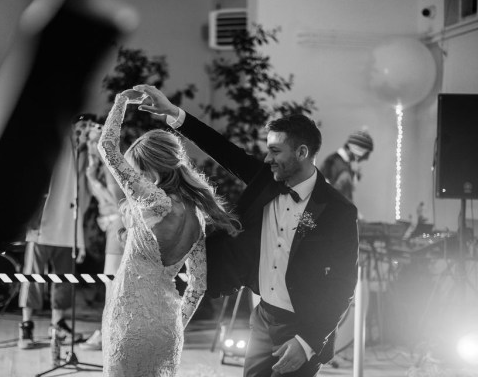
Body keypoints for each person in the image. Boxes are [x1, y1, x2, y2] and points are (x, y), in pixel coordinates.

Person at [134, 84, 359, 377]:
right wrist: (175, 114)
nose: (268, 159)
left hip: (305, 327)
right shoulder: (265, 181)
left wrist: (308, 342)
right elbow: (222, 149)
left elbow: (344, 283)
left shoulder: (338, 210)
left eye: (276, 151)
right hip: (264, 319)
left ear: (302, 152)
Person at [97, 89, 240, 376]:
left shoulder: (153, 200)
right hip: (168, 327)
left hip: (129, 320)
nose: (137, 178)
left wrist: (121, 102)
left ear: (151, 170)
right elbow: (198, 287)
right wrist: (174, 323)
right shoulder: (198, 217)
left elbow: (107, 148)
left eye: (139, 171)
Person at [17, 122, 89, 349]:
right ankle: (26, 326)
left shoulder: (86, 152)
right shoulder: (50, 136)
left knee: (64, 280)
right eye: (82, 124)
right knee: (32, 278)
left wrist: (81, 238)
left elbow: (84, 194)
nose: (85, 129)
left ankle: (58, 325)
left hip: (69, 226)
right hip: (43, 224)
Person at [78, 122, 126, 351]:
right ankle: (111, 333)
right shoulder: (94, 167)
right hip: (110, 225)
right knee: (113, 282)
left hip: (118, 224)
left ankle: (108, 335)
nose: (90, 145)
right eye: (88, 141)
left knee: (111, 283)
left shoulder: (109, 166)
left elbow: (119, 200)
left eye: (93, 141)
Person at [319, 129, 374, 202]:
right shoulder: (343, 171)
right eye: (366, 153)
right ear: (358, 150)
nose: (366, 158)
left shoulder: (332, 160)